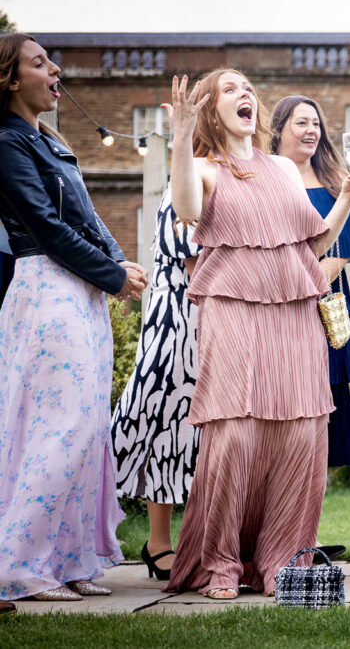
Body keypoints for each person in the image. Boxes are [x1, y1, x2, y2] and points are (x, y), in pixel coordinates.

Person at [163, 69, 350, 599]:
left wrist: (344, 197)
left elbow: (316, 244)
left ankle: (281, 560)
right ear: (210, 109)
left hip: (295, 310)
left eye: (248, 89)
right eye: (230, 90)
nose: (245, 95)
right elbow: (186, 208)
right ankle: (221, 563)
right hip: (233, 305)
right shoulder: (203, 169)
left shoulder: (281, 167)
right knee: (235, 436)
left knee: (301, 435)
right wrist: (181, 140)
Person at [0, 33, 148, 602]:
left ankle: (67, 559)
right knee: (59, 428)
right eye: (39, 63)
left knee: (87, 429)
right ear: (12, 81)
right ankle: (18, 565)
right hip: (45, 292)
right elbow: (45, 228)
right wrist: (112, 274)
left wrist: (117, 263)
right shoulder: (8, 143)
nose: (55, 68)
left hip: (80, 295)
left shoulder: (52, 143)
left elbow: (85, 218)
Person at [270, 95, 350, 470]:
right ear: (278, 129)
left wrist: (306, 280)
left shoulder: (338, 181)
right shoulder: (263, 177)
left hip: (326, 313)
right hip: (275, 311)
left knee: (322, 418)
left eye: (316, 124)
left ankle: (308, 518)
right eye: (301, 122)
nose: (312, 130)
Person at [110, 186, 201, 580]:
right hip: (176, 322)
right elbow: (192, 254)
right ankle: (158, 542)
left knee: (197, 431)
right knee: (162, 420)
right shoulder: (185, 185)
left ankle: (203, 541)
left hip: (215, 316)